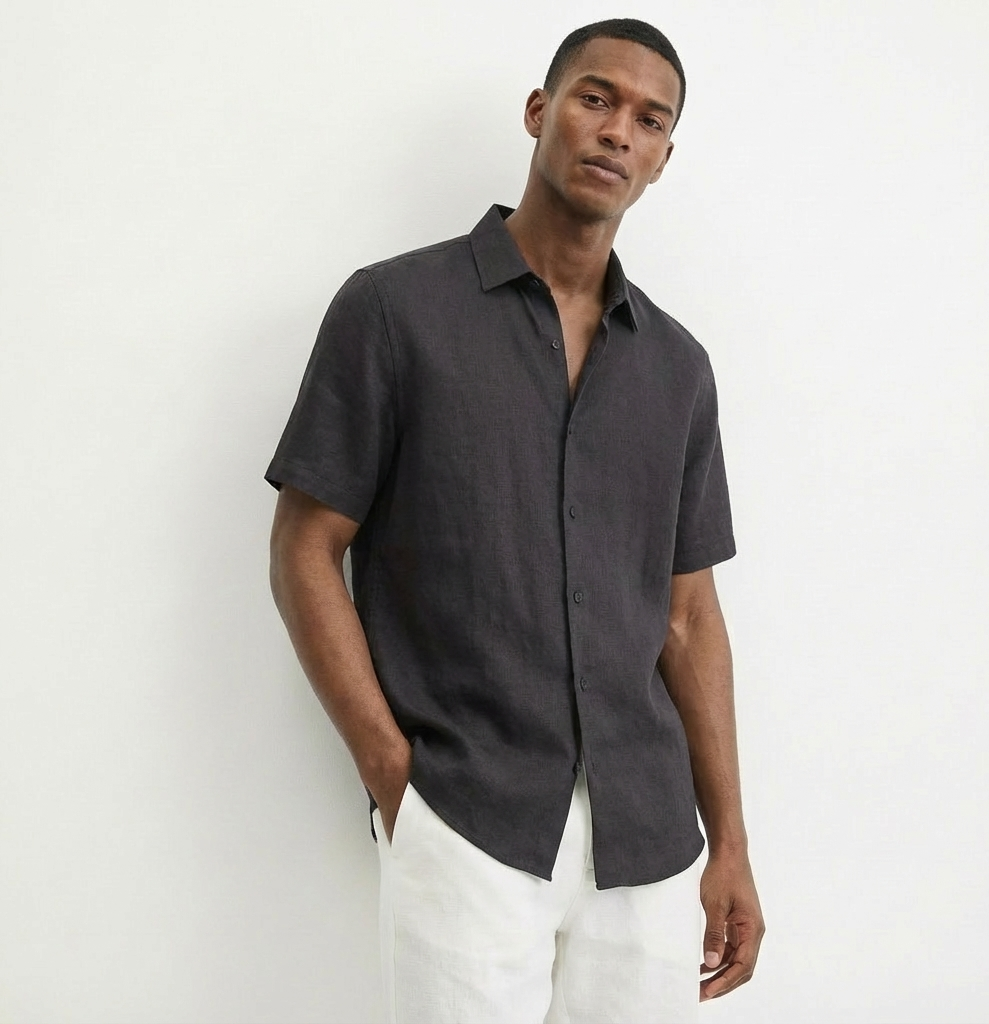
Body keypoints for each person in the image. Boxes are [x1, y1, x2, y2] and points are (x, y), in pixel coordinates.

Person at [265, 16, 764, 1024]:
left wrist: (732, 843)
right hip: (467, 814)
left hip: (648, 839)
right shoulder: (394, 311)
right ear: (540, 111)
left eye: (650, 119)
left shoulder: (677, 368)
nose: (618, 130)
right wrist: (394, 776)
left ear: (664, 158)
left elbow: (687, 616)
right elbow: (305, 549)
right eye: (596, 98)